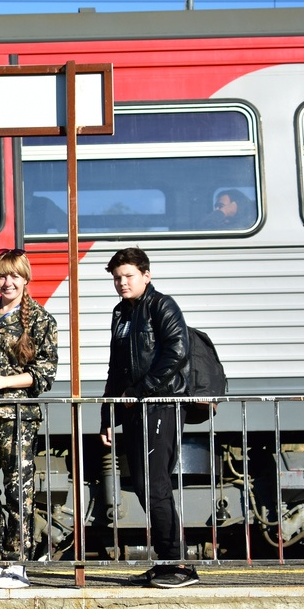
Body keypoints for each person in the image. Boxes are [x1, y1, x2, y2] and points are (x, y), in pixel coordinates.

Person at [99, 247, 199, 589]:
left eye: (128, 276)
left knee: (155, 484)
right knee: (143, 485)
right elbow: (116, 368)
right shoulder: (120, 314)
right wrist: (107, 414)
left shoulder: (162, 305)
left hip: (160, 404)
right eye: (116, 278)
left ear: (146, 275)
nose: (122, 283)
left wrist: (141, 391)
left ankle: (178, 564)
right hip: (132, 408)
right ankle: (166, 560)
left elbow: (177, 350)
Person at [0, 249, 59, 590]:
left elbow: (45, 374)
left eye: (15, 276)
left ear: (25, 279)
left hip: (16, 417)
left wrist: (3, 382)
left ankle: (16, 562)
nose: (8, 282)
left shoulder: (40, 320)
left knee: (18, 489)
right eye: (2, 275)